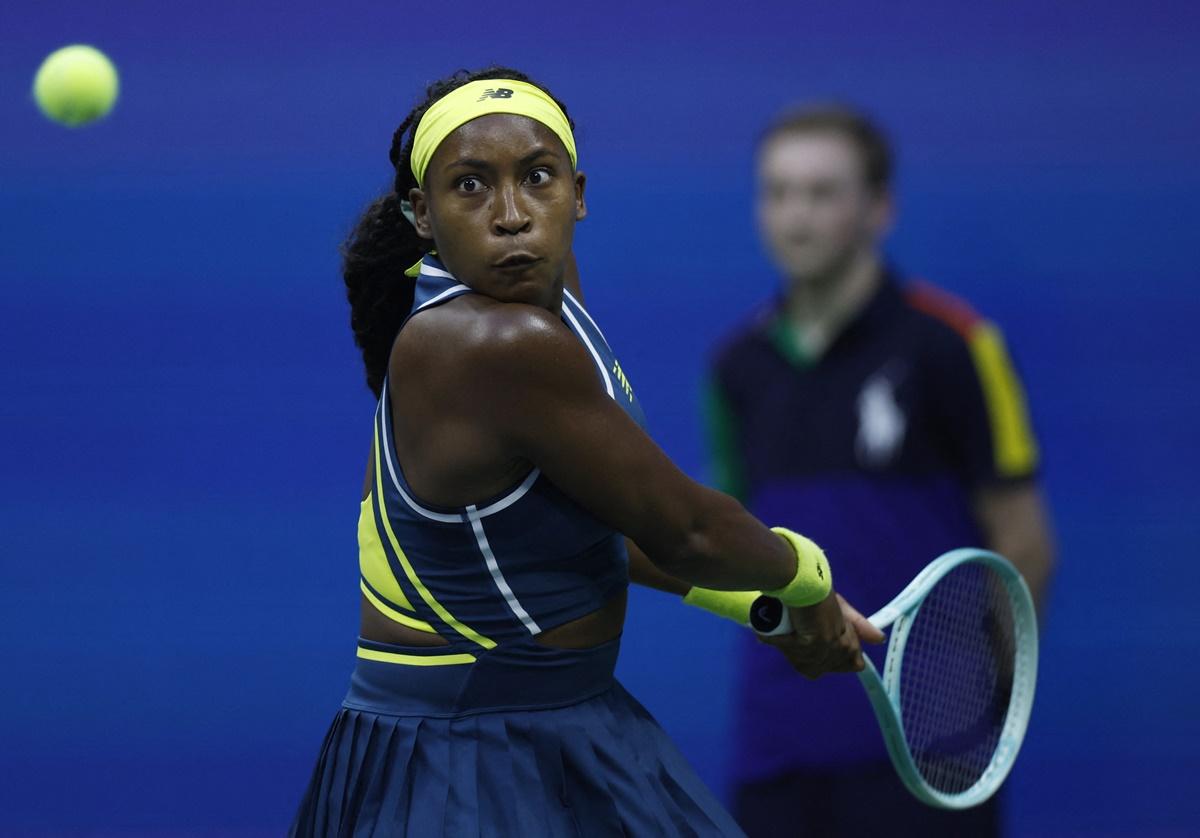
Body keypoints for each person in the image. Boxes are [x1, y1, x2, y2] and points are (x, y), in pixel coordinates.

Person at [290, 69, 883, 837]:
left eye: (536, 178)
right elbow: (688, 531)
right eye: (469, 187)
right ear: (422, 215)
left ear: (577, 193)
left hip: (566, 723)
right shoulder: (486, 341)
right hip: (460, 757)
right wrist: (804, 578)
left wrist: (755, 602)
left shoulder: (545, 291)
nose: (511, 216)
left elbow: (591, 522)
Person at [705, 104, 1056, 837]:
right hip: (780, 752)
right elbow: (734, 545)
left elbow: (1023, 545)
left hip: (928, 760)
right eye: (778, 191)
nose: (796, 216)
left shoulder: (955, 346)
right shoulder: (735, 367)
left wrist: (971, 706)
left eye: (823, 192)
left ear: (879, 208)